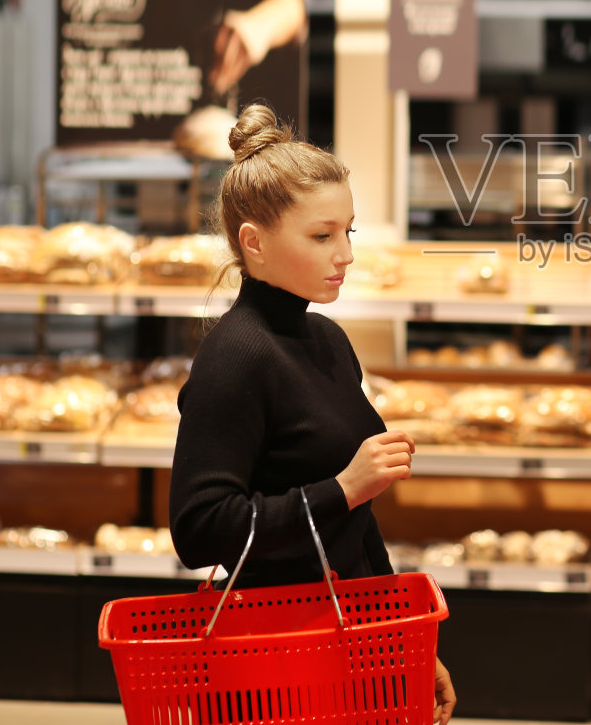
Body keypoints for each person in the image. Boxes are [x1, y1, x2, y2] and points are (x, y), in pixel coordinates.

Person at [169, 102, 456, 725]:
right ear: (255, 244)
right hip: (267, 663)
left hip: (346, 647)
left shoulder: (328, 341)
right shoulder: (235, 354)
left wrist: (408, 640)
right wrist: (342, 489)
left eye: (348, 231)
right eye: (322, 236)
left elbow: (355, 524)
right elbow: (198, 529)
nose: (345, 254)